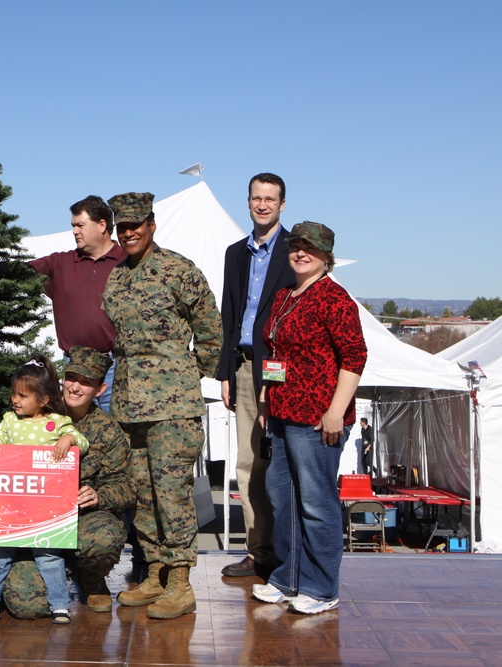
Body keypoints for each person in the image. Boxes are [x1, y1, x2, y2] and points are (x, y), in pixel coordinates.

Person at [102, 192, 222, 620]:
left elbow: (210, 328)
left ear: (152, 224)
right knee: (143, 494)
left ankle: (181, 581)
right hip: (130, 405)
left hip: (172, 406)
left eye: (136, 225)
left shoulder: (179, 269)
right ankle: (154, 572)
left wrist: (190, 375)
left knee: (172, 494)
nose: (129, 233)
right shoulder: (117, 277)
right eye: (123, 227)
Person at [251, 221, 367, 615]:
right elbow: (275, 351)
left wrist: (336, 412)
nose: (301, 253)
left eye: (310, 248)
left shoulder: (335, 299)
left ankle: (321, 587)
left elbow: (354, 357)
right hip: (283, 414)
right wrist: (267, 396)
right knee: (282, 500)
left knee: (317, 504)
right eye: (296, 246)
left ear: (325, 256)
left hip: (318, 419)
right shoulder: (286, 295)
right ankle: (288, 578)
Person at [0, 346, 134, 617]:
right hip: (31, 520)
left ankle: (91, 578)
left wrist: (99, 496)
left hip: (81, 518)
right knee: (27, 606)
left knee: (103, 539)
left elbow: (126, 486)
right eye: (71, 378)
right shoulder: (31, 411)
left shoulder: (109, 432)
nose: (75, 387)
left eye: (86, 383)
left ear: (100, 389)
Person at [216, 173, 296, 578]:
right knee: (249, 462)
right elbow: (230, 315)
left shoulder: (296, 252)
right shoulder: (235, 254)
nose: (262, 205)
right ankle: (259, 550)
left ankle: (289, 554)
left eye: (270, 199)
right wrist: (226, 372)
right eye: (256, 198)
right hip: (245, 367)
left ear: (283, 204)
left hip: (284, 370)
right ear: (247, 202)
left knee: (284, 461)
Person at [0, 356, 89, 624]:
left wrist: (68, 438)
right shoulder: (8, 421)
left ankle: (60, 605)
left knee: (49, 554)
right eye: (14, 394)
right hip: (11, 503)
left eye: (23, 396)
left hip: (46, 507)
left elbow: (82, 442)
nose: (16, 400)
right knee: (1, 551)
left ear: (43, 399)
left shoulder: (58, 421)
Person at [29, 195, 125, 412]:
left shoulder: (127, 263)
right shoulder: (60, 263)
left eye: (80, 225)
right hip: (75, 367)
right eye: (73, 226)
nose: (74, 231)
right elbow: (19, 274)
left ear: (102, 225)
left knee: (116, 430)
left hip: (116, 365)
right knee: (76, 434)